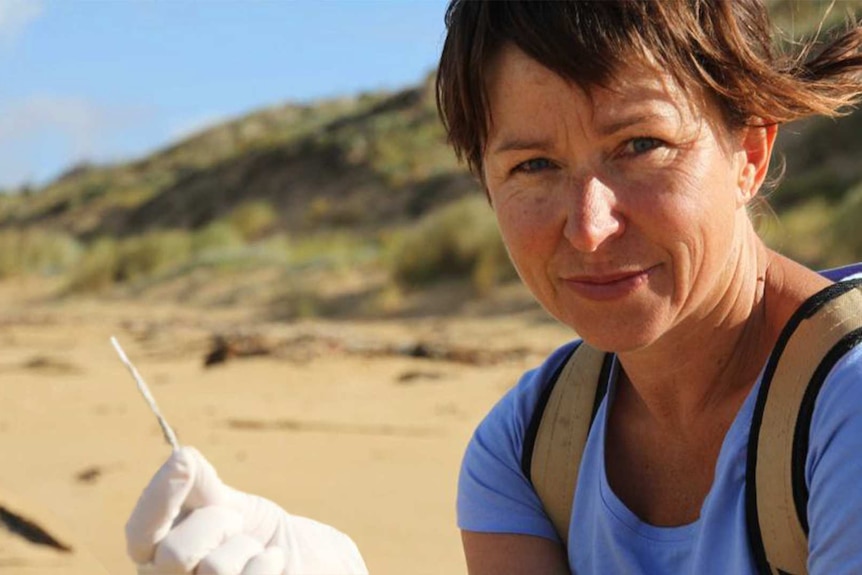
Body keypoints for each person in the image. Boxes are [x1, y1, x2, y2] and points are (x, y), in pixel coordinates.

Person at [125, 1, 862, 574]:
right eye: (534, 166)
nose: (589, 225)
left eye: (640, 146)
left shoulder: (845, 406)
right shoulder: (529, 448)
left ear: (751, 153)